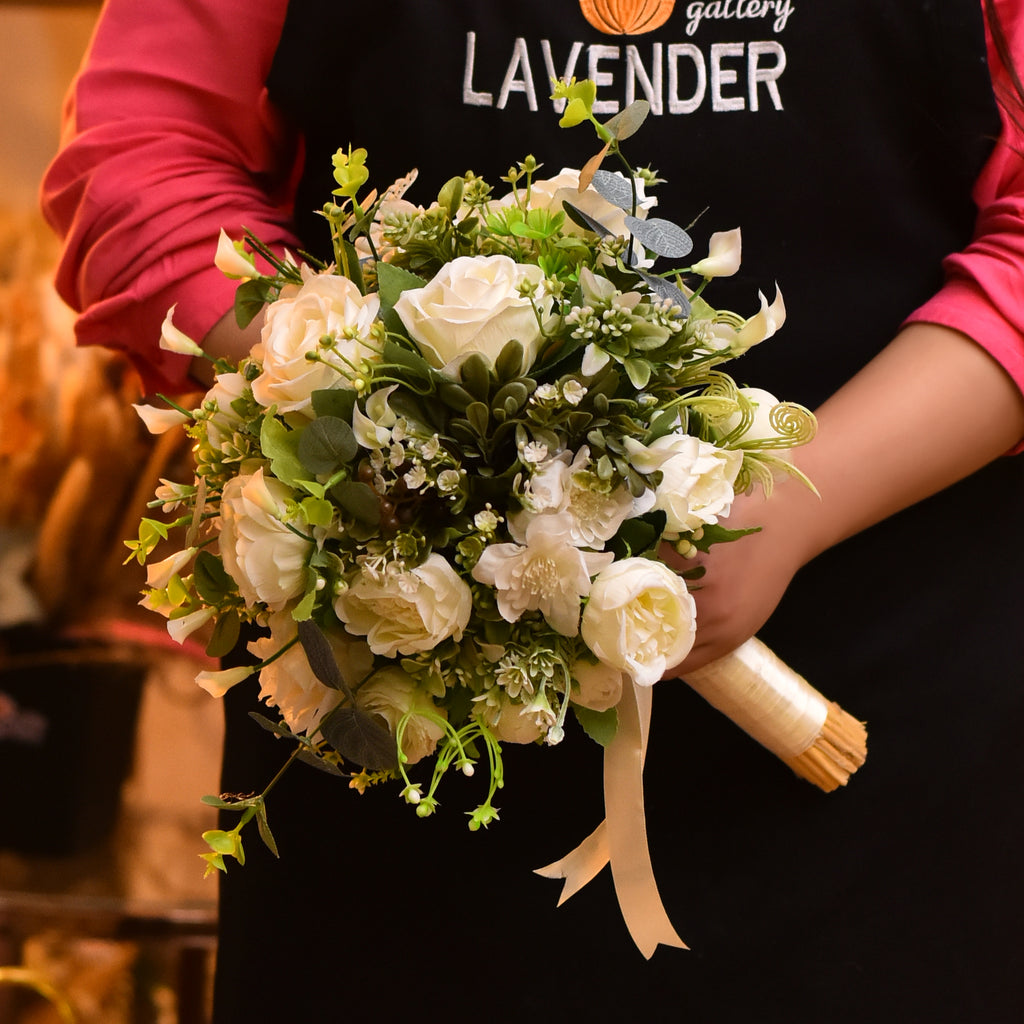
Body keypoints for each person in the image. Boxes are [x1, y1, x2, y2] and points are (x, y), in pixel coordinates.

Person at [43, 1, 1024, 1020]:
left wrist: (784, 511)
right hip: (403, 761)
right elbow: (139, 156)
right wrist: (361, 405)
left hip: (891, 758)